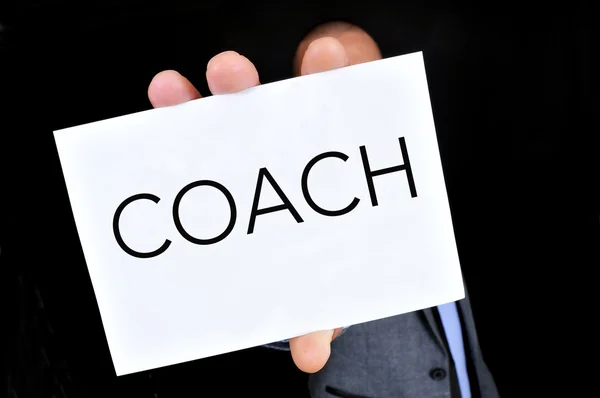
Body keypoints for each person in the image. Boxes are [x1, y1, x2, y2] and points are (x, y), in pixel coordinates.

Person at [147, 21, 499, 398]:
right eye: (338, 83)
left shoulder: (414, 170)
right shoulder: (300, 198)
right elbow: (284, 284)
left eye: (370, 77)